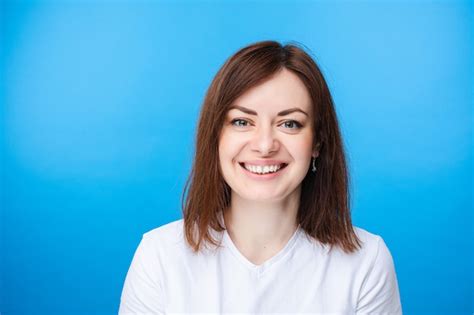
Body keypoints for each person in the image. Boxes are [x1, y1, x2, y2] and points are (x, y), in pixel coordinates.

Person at [119, 40, 402, 314]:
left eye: (289, 124)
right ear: (216, 136)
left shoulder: (366, 262)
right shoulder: (159, 256)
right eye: (242, 122)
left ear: (317, 143)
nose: (265, 145)